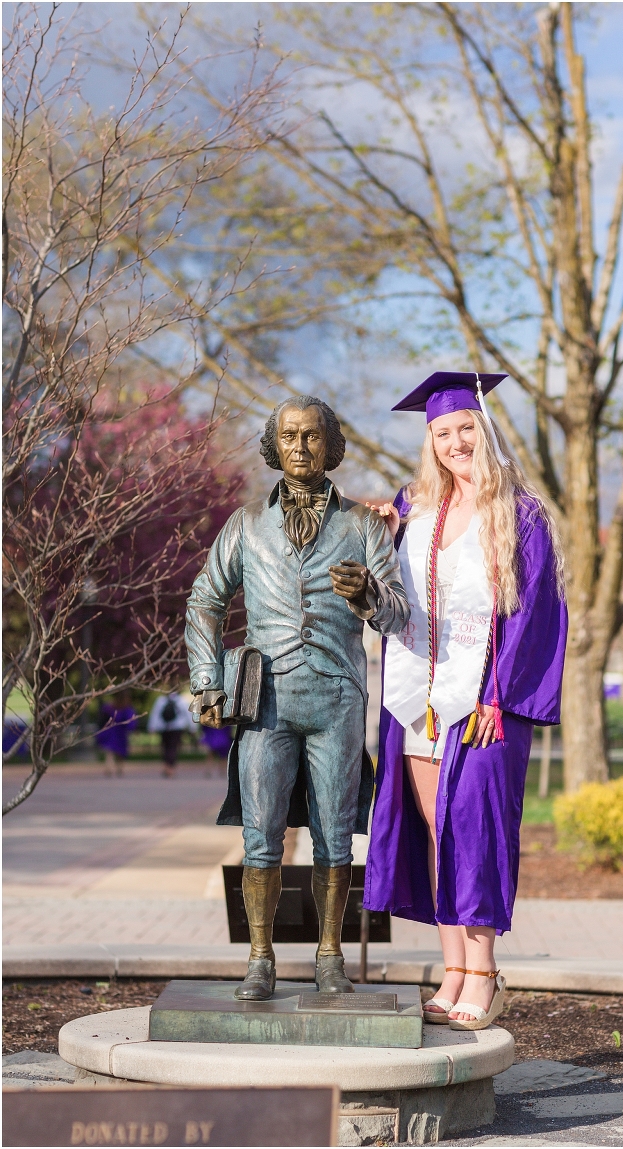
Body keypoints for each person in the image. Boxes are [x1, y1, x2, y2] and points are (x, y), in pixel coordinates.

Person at [185, 395, 409, 1001]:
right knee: (260, 832)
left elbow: (399, 614)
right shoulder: (246, 526)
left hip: (336, 696)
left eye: (313, 436)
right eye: (289, 437)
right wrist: (207, 681)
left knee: (336, 833)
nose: (301, 447)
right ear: (274, 445)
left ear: (331, 445)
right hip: (265, 701)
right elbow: (206, 600)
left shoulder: (363, 527)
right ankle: (260, 958)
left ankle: (330, 956)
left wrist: (367, 594)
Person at [364, 371, 568, 1030]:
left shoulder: (522, 514)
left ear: (484, 431)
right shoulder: (416, 506)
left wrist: (497, 695)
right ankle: (452, 969)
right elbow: (384, 585)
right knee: (431, 828)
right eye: (442, 432)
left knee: (474, 828)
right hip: (413, 695)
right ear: (430, 440)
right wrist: (373, 530)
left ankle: (484, 973)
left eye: (464, 429)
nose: (454, 442)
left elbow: (535, 612)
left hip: (482, 704)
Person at [148, 689, 195, 777]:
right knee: (173, 748)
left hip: (164, 728)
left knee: (165, 747)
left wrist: (152, 727)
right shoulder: (181, 700)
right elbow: (188, 714)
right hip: (177, 728)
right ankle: (171, 769)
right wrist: (192, 728)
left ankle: (167, 767)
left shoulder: (161, 700)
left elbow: (155, 714)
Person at [95, 691, 137, 776]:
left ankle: (108, 768)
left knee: (110, 752)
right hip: (120, 733)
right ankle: (120, 768)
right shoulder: (127, 709)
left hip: (111, 731)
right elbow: (131, 722)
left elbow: (102, 718)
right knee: (120, 752)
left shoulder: (110, 707)